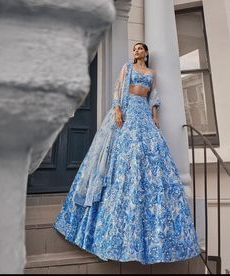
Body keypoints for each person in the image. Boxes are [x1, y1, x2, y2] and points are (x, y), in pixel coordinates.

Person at [54, 42, 200, 265]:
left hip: (143, 111)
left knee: (150, 154)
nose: (136, 52)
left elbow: (153, 96)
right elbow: (118, 88)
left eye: (139, 49)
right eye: (134, 49)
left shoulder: (151, 73)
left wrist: (154, 115)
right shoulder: (127, 68)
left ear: (146, 52)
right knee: (125, 155)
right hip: (128, 110)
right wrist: (118, 110)